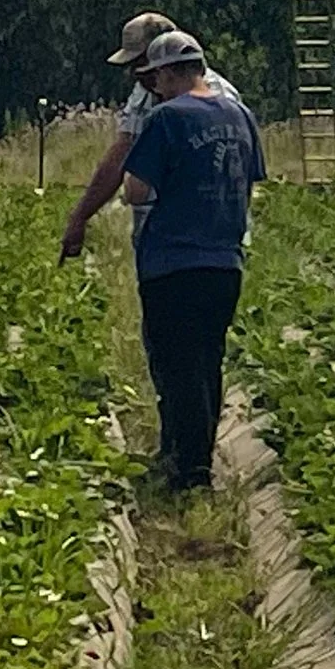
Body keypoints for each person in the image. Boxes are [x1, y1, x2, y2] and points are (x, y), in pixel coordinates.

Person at [120, 30, 265, 493]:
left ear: (166, 73)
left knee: (177, 364)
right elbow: (250, 180)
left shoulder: (166, 118)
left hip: (172, 260)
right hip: (225, 258)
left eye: (156, 76)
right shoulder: (239, 114)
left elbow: (135, 190)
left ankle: (188, 468)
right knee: (208, 360)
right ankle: (199, 458)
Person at [59, 11, 247, 261]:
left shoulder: (220, 99)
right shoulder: (144, 94)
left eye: (139, 64)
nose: (134, 74)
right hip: (157, 244)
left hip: (208, 243)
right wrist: (81, 215)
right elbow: (121, 153)